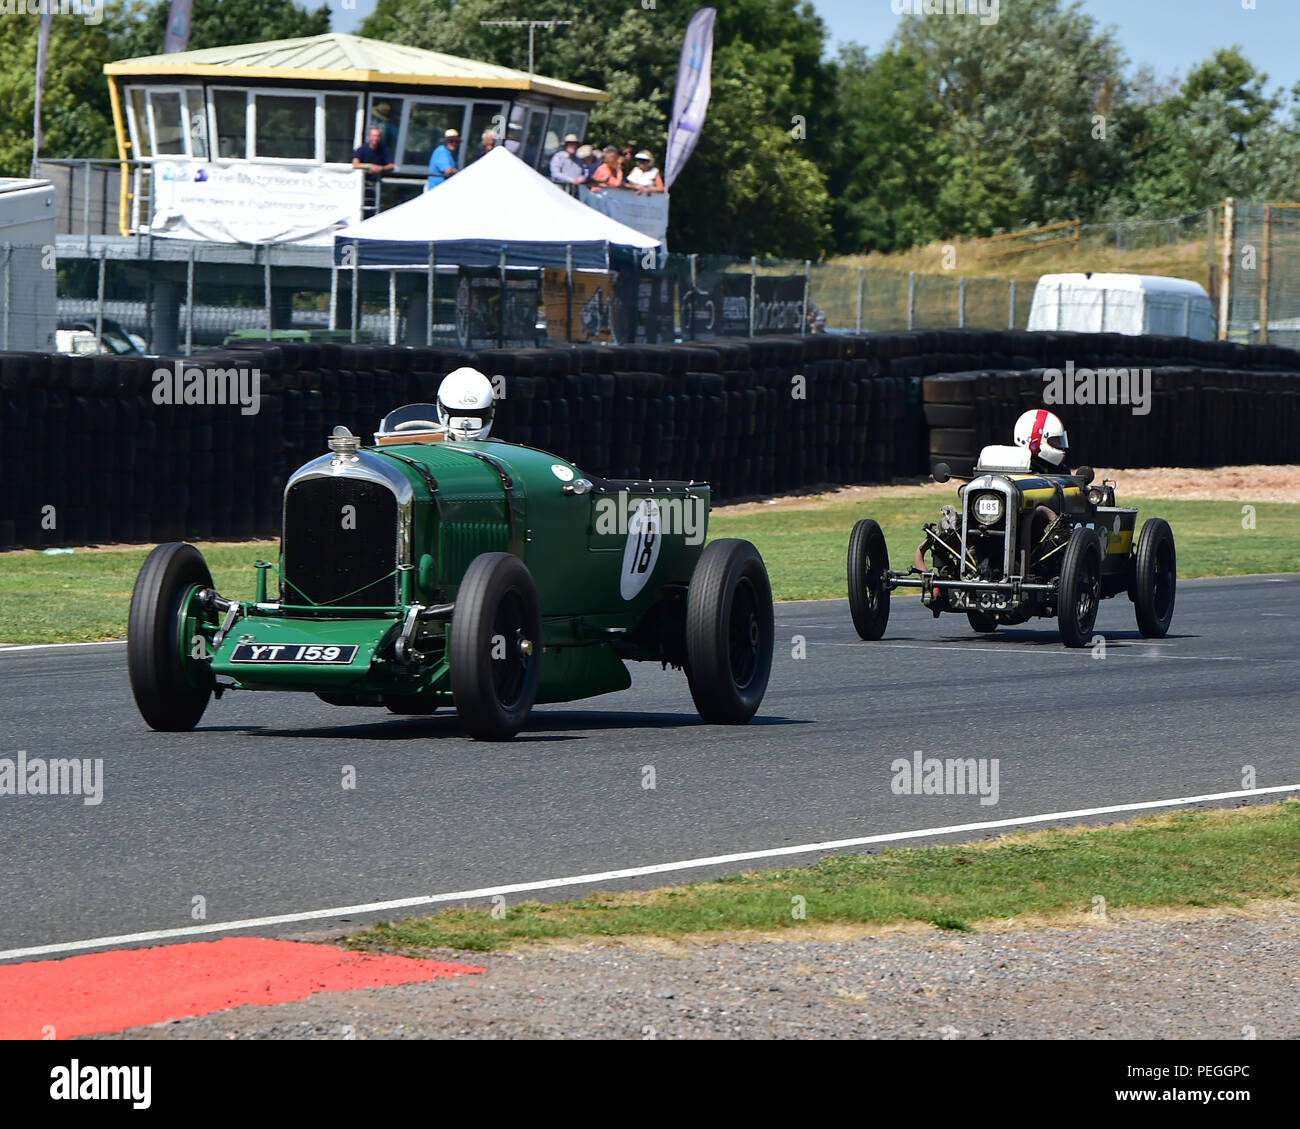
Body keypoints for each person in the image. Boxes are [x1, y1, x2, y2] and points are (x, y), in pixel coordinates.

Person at [436, 368, 496, 441]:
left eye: (476, 414)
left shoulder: (499, 449)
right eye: (457, 414)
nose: (466, 423)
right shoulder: (429, 445)